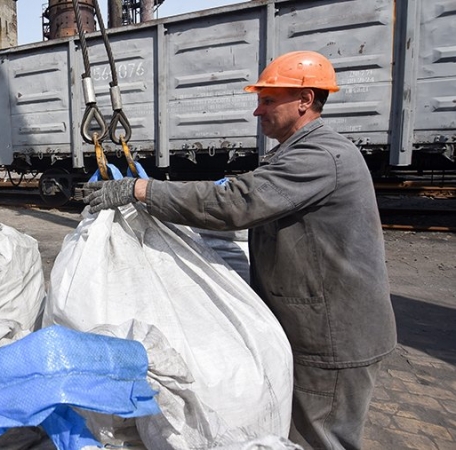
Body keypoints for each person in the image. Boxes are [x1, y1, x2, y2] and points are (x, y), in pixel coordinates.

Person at [84, 51, 396, 449]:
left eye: (269, 100)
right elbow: (247, 192)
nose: (257, 111)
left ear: (305, 100)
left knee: (324, 439)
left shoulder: (319, 155)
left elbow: (239, 204)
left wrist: (142, 190)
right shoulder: (302, 150)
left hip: (333, 336)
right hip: (321, 327)